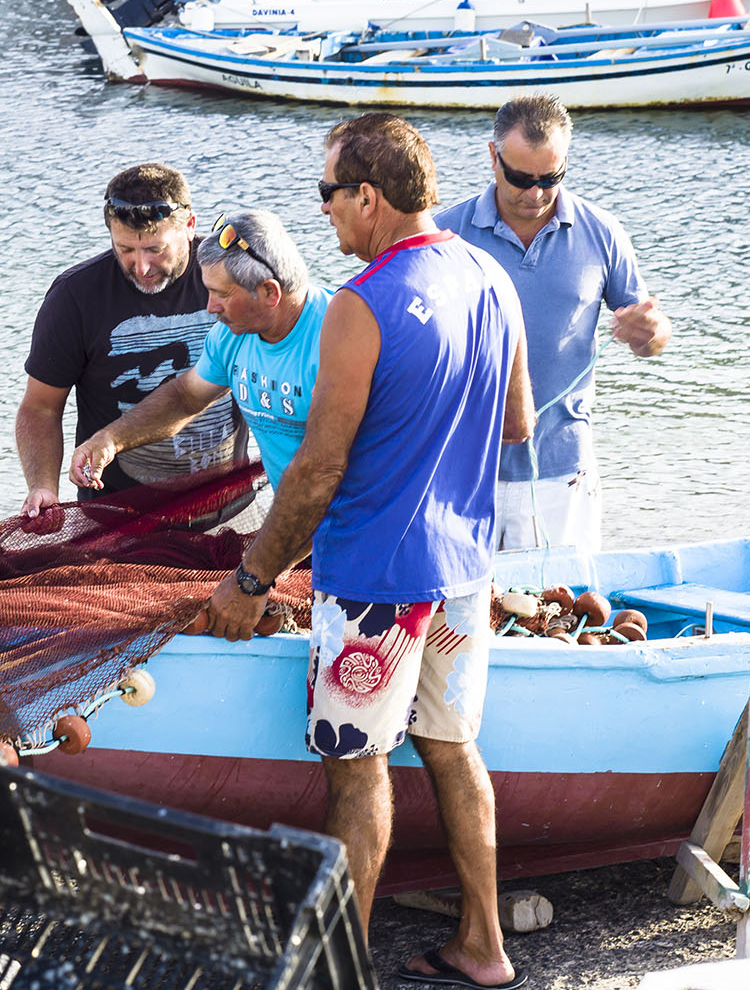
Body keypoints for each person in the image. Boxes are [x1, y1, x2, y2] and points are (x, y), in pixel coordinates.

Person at [204, 114, 534, 989]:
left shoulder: (362, 302)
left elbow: (315, 471)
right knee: (455, 750)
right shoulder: (490, 276)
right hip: (464, 568)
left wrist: (250, 579)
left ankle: (339, 972)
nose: (323, 216)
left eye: (327, 194)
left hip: (376, 578)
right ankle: (485, 947)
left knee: (357, 765)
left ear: (369, 196)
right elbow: (517, 424)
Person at [433, 94, 673, 553]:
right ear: (492, 156)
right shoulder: (447, 235)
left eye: (551, 178)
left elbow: (653, 334)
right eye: (521, 178)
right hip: (460, 473)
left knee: (564, 613)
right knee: (459, 620)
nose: (536, 194)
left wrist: (651, 333)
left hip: (564, 473)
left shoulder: (602, 232)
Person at [17, 164, 245, 518]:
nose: (141, 266)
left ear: (189, 226)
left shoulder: (232, 276)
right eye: (125, 249)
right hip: (116, 516)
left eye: (156, 249)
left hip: (228, 507)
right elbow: (40, 408)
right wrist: (43, 486)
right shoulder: (75, 296)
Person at [69, 209, 331, 495]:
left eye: (222, 294)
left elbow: (326, 469)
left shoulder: (335, 338)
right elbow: (184, 398)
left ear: (270, 292)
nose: (211, 307)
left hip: (352, 517)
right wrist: (109, 440)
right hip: (299, 512)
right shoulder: (231, 335)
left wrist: (283, 540)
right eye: (208, 291)